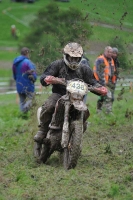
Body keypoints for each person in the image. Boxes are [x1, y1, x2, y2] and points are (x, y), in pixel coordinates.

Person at [34, 42, 106, 146]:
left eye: (76, 58)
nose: (74, 61)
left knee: (85, 112)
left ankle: (75, 138)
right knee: (49, 105)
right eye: (71, 58)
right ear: (66, 56)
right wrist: (48, 78)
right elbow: (44, 77)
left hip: (77, 98)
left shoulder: (84, 69)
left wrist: (100, 88)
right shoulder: (58, 64)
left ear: (80, 58)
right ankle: (43, 130)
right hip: (59, 94)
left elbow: (93, 82)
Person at [12, 47, 37, 114]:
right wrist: (34, 78)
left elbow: (14, 74)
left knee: (22, 101)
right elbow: (33, 72)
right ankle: (24, 111)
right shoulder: (27, 62)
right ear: (27, 53)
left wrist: (17, 80)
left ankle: (23, 115)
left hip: (18, 83)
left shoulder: (15, 62)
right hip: (27, 84)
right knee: (32, 99)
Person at [93, 46, 116, 114]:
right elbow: (99, 72)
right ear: (105, 52)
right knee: (108, 96)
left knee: (102, 97)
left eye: (111, 52)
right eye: (108, 51)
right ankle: (108, 111)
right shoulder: (101, 59)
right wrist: (103, 83)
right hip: (101, 81)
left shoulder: (111, 60)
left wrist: (112, 81)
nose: (109, 53)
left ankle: (99, 110)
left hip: (108, 82)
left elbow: (112, 72)